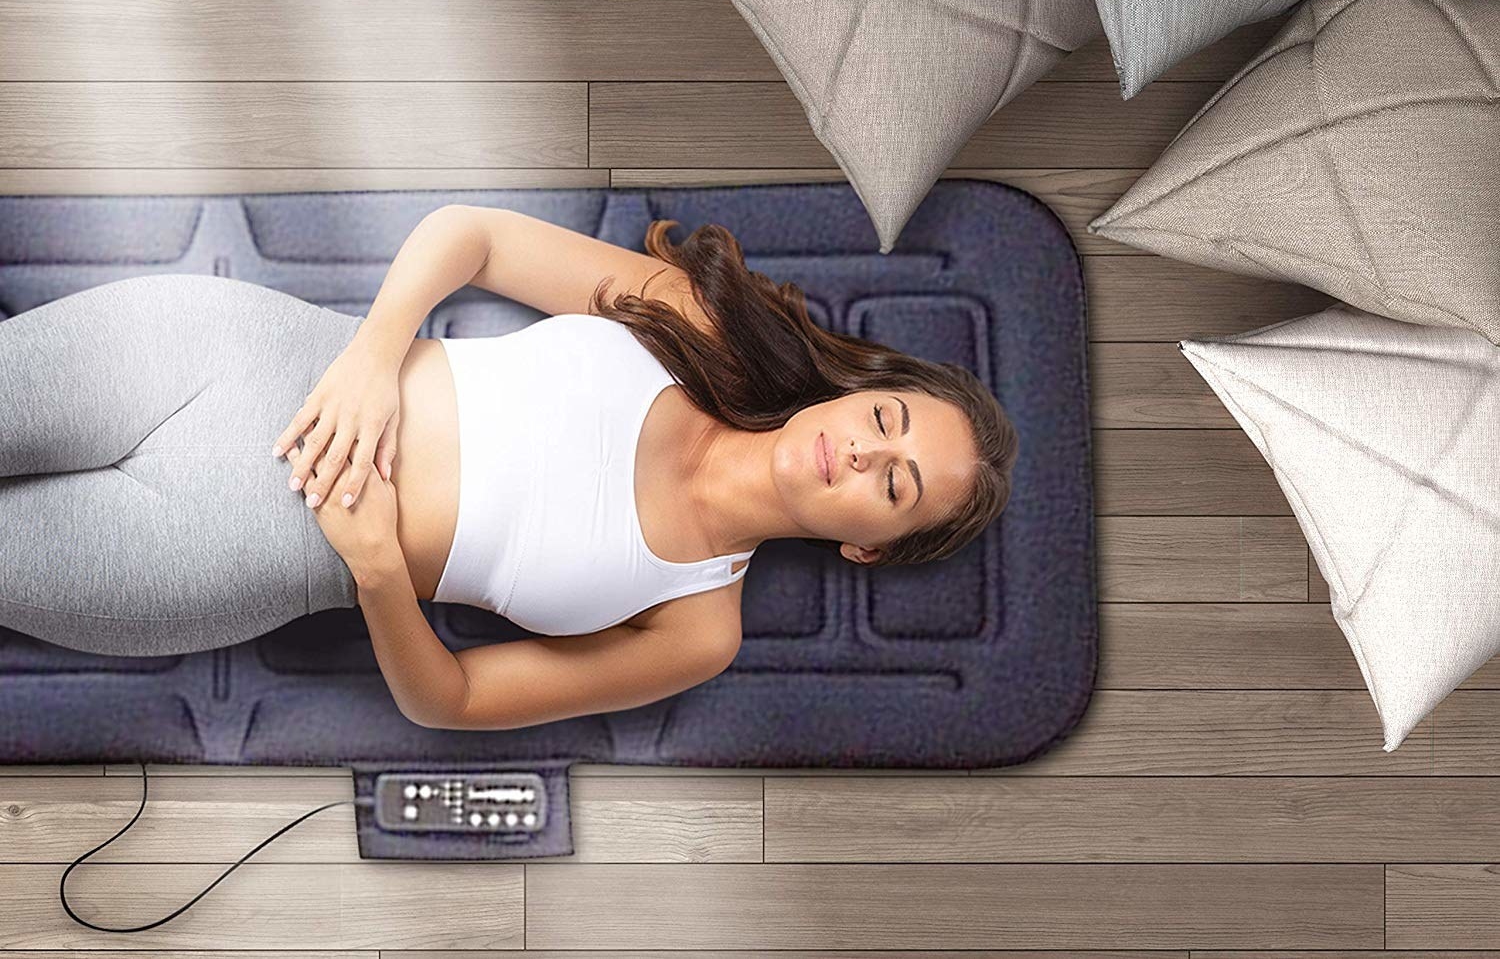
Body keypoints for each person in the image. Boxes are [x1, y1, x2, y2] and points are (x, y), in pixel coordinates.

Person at [0, 206, 1019, 730]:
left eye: (896, 482)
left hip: (235, 554)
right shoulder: (700, 325)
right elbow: (473, 237)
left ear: (870, 545)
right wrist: (371, 353)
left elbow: (451, 701)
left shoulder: (699, 627)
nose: (864, 450)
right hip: (241, 354)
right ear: (858, 392)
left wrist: (379, 573)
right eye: (886, 418)